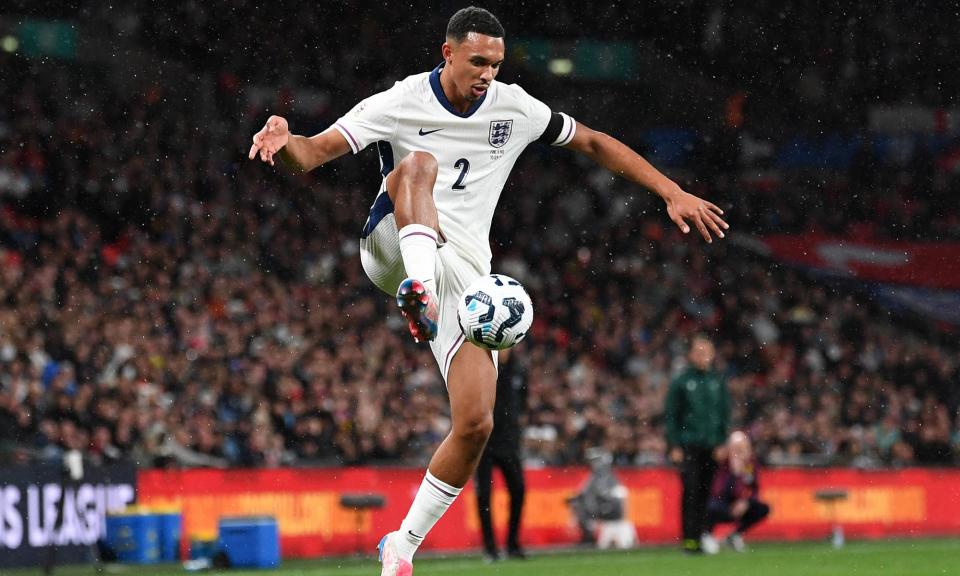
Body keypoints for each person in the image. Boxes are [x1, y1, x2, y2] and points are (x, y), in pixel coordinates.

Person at [249, 7, 728, 575]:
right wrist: (284, 140)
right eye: (477, 61)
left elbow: (594, 143)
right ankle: (418, 291)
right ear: (447, 52)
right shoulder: (399, 101)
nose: (487, 74)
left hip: (468, 278)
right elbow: (313, 155)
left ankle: (400, 547)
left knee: (476, 423)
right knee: (418, 166)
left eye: (496, 64)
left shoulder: (513, 106)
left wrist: (669, 190)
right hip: (392, 246)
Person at [664, 334, 730, 554]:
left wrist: (722, 443)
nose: (704, 357)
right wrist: (674, 445)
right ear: (690, 355)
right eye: (699, 352)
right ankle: (689, 540)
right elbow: (672, 415)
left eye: (707, 352)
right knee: (690, 491)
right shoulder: (681, 382)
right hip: (689, 446)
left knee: (705, 493)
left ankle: (701, 536)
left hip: (712, 447)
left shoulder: (717, 381)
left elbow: (724, 415)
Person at [475, 348, 526, 562]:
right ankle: (490, 548)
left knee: (519, 490)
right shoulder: (484, 365)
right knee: (484, 495)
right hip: (484, 442)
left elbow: (522, 400)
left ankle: (512, 543)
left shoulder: (517, 369)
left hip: (508, 442)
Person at [701, 431, 771, 553]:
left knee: (762, 508)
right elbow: (718, 489)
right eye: (737, 448)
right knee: (711, 507)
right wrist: (734, 473)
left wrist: (745, 501)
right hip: (722, 503)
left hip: (740, 504)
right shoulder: (722, 464)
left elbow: (754, 488)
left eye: (744, 448)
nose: (741, 452)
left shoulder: (751, 465)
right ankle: (707, 535)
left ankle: (734, 536)